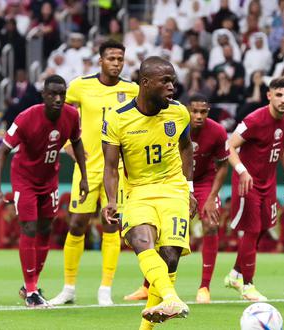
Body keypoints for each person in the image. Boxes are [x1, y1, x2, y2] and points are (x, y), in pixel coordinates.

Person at [102, 56, 196, 326]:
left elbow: (187, 147)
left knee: (169, 258)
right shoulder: (118, 119)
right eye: (165, 81)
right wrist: (111, 200)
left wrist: (189, 188)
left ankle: (154, 317)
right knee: (142, 240)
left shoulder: (179, 112)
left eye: (173, 82)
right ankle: (171, 297)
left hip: (173, 190)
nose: (171, 88)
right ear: (145, 83)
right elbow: (110, 166)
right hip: (138, 191)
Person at [0, 75, 88, 308]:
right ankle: (32, 291)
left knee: (45, 228)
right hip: (24, 180)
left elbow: (77, 143)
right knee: (29, 226)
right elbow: (2, 152)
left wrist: (84, 175)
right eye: (53, 94)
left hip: (49, 179)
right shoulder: (26, 118)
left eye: (62, 94)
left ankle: (30, 285)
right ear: (43, 95)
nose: (58, 98)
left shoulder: (72, 115)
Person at [50, 40, 139, 306]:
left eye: (120, 59)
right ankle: (68, 288)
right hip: (87, 168)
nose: (116, 63)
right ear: (100, 61)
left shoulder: (132, 89)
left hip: (117, 169)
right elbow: (59, 112)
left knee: (111, 225)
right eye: (111, 58)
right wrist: (67, 144)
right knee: (77, 223)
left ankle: (105, 289)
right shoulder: (80, 86)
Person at [124, 93, 229, 305]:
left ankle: (204, 287)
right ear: (186, 109)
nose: (198, 116)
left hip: (203, 183)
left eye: (203, 112)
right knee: (160, 232)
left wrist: (211, 197)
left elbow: (223, 165)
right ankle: (147, 287)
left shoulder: (217, 131)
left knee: (210, 225)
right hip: (172, 182)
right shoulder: (171, 121)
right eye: (194, 111)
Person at [224, 77, 284, 301]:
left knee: (265, 227)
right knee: (252, 230)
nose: (283, 100)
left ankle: (236, 273)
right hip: (249, 182)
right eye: (279, 95)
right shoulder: (254, 120)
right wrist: (242, 171)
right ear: (269, 95)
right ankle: (248, 285)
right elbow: (229, 146)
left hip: (269, 182)